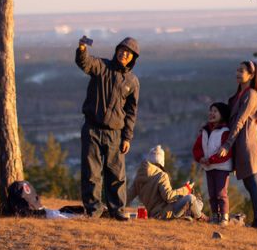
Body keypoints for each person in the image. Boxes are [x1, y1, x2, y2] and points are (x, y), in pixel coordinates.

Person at [76, 36, 141, 220]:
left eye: (128, 52)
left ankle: (117, 210)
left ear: (133, 58)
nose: (124, 53)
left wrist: (127, 137)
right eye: (121, 50)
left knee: (116, 174)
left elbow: (131, 112)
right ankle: (93, 210)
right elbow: (85, 63)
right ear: (116, 50)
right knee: (91, 173)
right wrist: (82, 49)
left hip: (115, 134)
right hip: (92, 129)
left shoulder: (132, 81)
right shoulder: (101, 66)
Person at [215, 60, 257, 229]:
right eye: (237, 70)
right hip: (240, 143)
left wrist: (227, 144)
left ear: (251, 75)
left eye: (242, 71)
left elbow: (240, 121)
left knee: (253, 180)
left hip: (247, 143)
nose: (238, 73)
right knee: (249, 182)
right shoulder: (241, 93)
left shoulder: (251, 95)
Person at [127, 145, 204, 220]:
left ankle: (188, 216)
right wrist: (186, 189)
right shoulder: (161, 175)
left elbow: (128, 196)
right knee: (193, 199)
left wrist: (117, 208)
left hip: (151, 215)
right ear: (161, 161)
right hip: (164, 214)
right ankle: (200, 217)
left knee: (197, 204)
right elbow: (169, 197)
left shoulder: (139, 176)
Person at [192, 101, 233, 225]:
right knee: (212, 194)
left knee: (221, 193)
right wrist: (200, 158)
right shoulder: (205, 131)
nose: (211, 113)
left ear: (223, 114)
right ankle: (215, 216)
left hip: (222, 167)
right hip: (209, 167)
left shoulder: (225, 131)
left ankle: (224, 217)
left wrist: (211, 160)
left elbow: (227, 152)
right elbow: (197, 148)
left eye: (215, 111)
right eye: (211, 111)